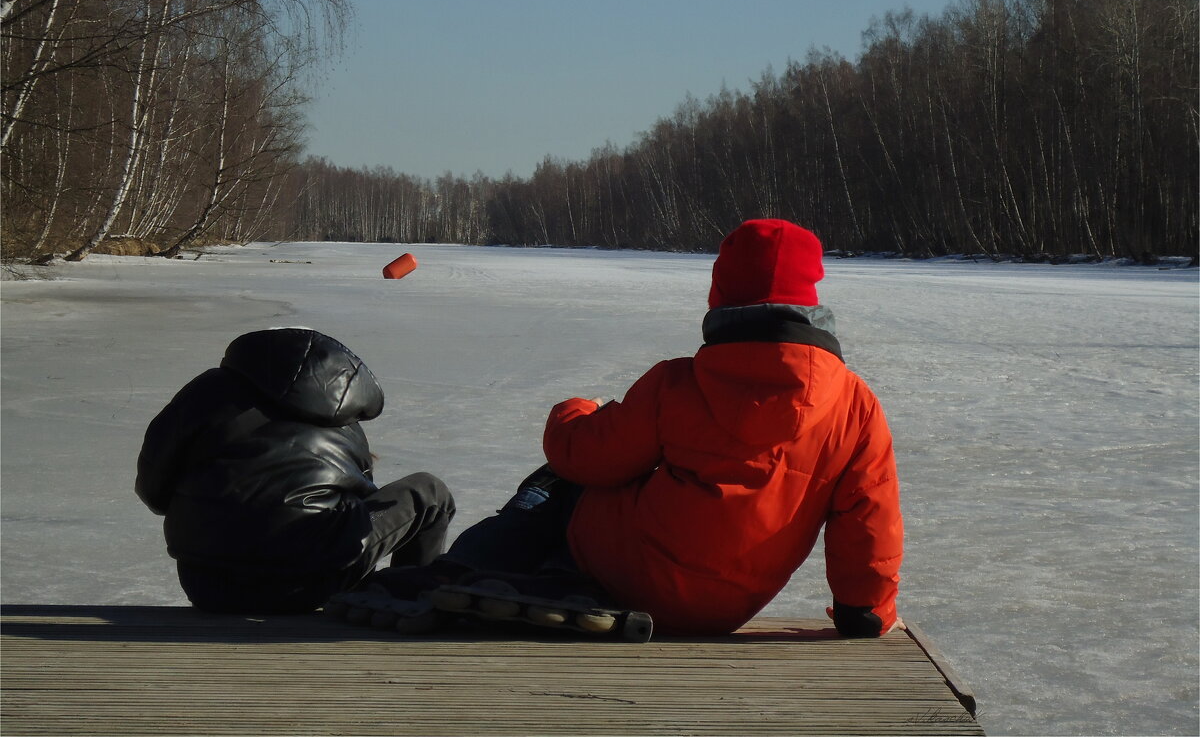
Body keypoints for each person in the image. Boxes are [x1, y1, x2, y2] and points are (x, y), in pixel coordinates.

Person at [337, 219, 903, 638]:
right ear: (810, 304)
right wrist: (863, 612)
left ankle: (469, 570)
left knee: (559, 483)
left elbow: (584, 457)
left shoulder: (678, 383)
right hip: (727, 608)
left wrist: (572, 412)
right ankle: (554, 579)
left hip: (631, 574)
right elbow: (868, 520)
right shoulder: (856, 405)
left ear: (722, 296)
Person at [135, 327, 456, 614]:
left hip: (207, 585)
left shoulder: (205, 392)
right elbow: (359, 511)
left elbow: (154, 490)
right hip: (311, 585)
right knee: (430, 493)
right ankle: (410, 601)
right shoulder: (343, 418)